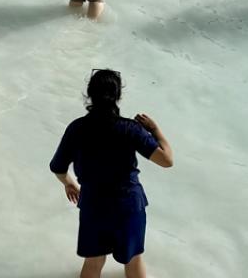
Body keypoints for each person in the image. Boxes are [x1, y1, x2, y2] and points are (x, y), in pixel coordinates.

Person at [50, 69, 174, 278]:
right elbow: (167, 160)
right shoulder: (131, 129)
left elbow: (58, 167)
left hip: (94, 205)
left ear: (90, 94)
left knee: (93, 261)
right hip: (128, 205)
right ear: (117, 96)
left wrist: (68, 183)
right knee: (133, 260)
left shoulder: (76, 129)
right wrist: (155, 130)